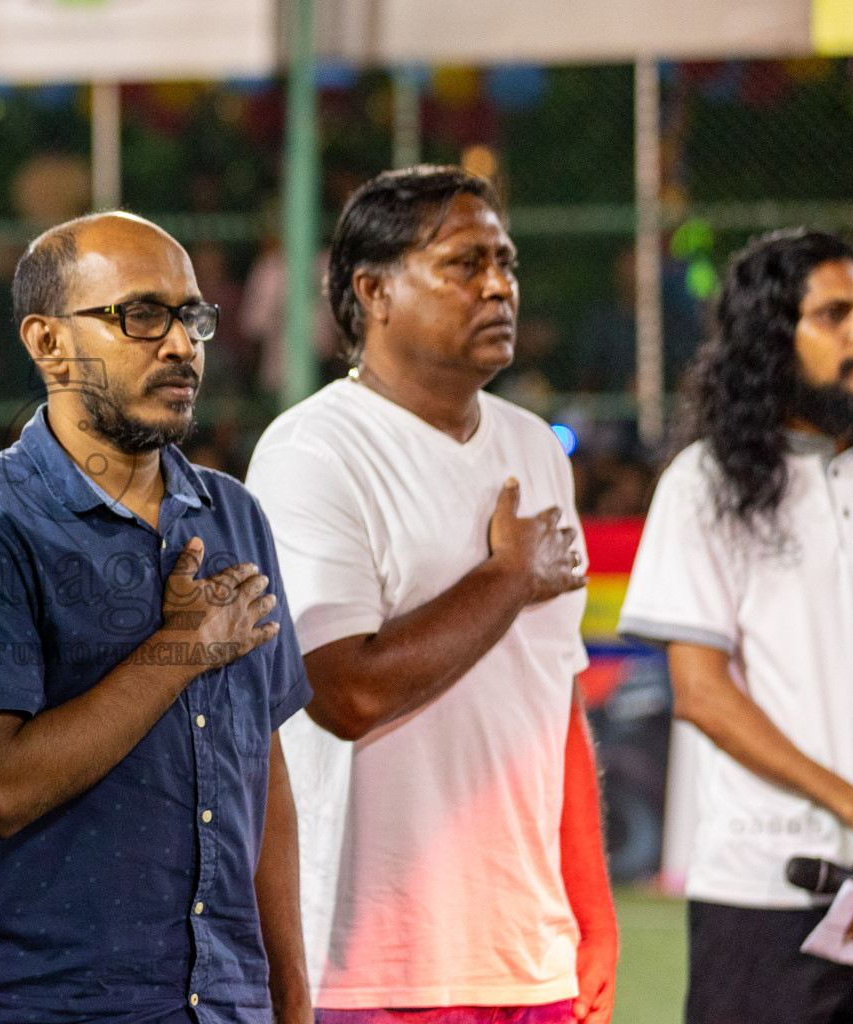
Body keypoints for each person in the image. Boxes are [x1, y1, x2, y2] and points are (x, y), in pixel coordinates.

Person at [0, 211, 313, 1024]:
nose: (180, 346)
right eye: (141, 315)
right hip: (43, 1005)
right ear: (47, 342)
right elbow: (0, 788)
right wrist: (177, 654)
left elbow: (263, 782)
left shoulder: (231, 515)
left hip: (225, 1006)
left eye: (191, 317)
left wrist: (293, 1004)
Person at [245, 166, 618, 1024]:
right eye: (463, 263)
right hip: (372, 967)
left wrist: (589, 913)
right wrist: (507, 578)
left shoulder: (534, 447)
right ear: (372, 290)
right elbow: (344, 690)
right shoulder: (315, 451)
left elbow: (554, 698)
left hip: (529, 955)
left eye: (507, 262)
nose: (498, 285)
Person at [618, 229, 853, 1024]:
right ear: (770, 339)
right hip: (769, 899)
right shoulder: (706, 484)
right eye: (835, 315)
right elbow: (702, 695)